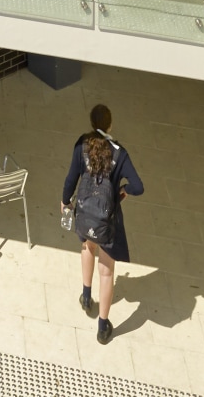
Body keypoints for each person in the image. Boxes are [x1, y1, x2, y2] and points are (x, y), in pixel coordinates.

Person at [62, 102, 143, 344]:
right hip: (108, 220)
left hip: (86, 214)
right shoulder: (120, 153)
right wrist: (124, 190)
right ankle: (102, 327)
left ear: (92, 123)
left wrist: (65, 202)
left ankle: (86, 297)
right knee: (106, 272)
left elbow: (70, 179)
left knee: (87, 246)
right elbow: (139, 186)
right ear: (110, 124)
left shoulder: (82, 145)